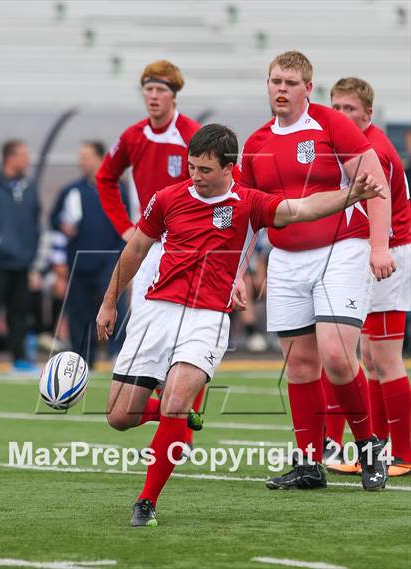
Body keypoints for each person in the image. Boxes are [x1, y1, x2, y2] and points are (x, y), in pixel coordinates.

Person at [96, 124, 385, 526]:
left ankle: (146, 501)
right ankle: (172, 418)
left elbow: (303, 208)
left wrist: (351, 194)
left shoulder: (249, 202)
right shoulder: (167, 199)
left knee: (178, 401)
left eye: (205, 170)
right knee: (118, 416)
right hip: (156, 311)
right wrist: (109, 302)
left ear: (230, 167)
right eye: (192, 167)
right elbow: (136, 250)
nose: (195, 176)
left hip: (206, 318)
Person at [239, 51, 395, 491]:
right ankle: (309, 463)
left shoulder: (330, 124)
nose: (281, 89)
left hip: (342, 249)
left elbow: (374, 185)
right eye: (274, 81)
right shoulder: (255, 142)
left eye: (290, 82)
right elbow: (247, 214)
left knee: (336, 355)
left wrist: (379, 247)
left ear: (308, 87)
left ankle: (368, 447)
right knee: (300, 364)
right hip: (285, 257)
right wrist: (236, 273)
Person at [96, 59, 203, 448]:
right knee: (148, 334)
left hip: (187, 251)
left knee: (184, 338)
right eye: (148, 89)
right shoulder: (132, 136)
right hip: (147, 249)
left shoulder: (192, 135)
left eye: (160, 90)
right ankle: (177, 419)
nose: (153, 97)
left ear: (174, 95)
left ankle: (181, 430)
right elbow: (105, 177)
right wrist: (125, 225)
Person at [324, 77, 411, 477]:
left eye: (350, 109)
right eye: (336, 108)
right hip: (378, 252)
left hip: (390, 253)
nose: (341, 116)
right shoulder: (355, 145)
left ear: (368, 114)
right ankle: (373, 449)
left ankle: (405, 453)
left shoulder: (372, 149)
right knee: (371, 359)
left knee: (386, 359)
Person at [51, 141, 129, 368]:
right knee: (79, 312)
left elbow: (126, 226)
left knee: (114, 307)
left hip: (108, 262)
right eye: (80, 156)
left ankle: (118, 355)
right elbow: (54, 219)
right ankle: (82, 358)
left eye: (86, 156)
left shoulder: (117, 188)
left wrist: (121, 257)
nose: (81, 161)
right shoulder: (71, 190)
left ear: (99, 158)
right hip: (78, 263)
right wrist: (61, 225)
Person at [0, 140, 40, 372]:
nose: (27, 159)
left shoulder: (29, 187)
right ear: (10, 157)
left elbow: (35, 222)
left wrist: (32, 255)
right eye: (23, 154)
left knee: (19, 312)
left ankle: (19, 357)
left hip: (22, 262)